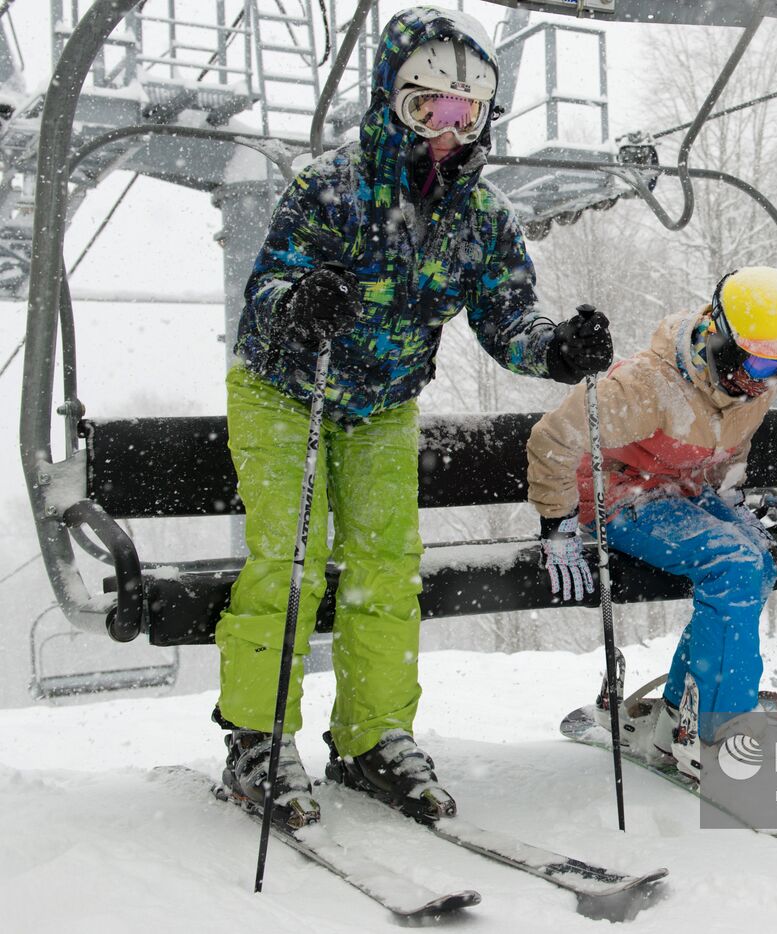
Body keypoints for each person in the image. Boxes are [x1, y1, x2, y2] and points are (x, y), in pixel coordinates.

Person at [213, 6, 613, 829]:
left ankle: (372, 733)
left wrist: (559, 351)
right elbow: (265, 300)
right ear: (391, 102)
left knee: (386, 567)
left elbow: (508, 319)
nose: (446, 131)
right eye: (426, 108)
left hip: (382, 406)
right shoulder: (330, 186)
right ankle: (258, 733)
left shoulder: (481, 217)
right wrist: (304, 304)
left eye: (465, 114)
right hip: (287, 390)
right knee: (288, 558)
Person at [526, 267, 777, 782]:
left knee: (758, 563)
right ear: (720, 339)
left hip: (685, 493)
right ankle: (716, 735)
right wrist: (557, 524)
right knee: (734, 567)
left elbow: (732, 448)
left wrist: (729, 501)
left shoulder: (752, 386)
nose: (766, 378)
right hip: (622, 496)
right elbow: (552, 440)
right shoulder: (646, 387)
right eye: (757, 360)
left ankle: (678, 719)